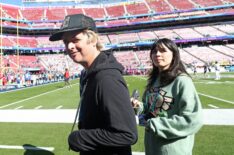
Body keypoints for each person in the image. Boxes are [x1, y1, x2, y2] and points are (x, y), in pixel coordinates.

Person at [49, 14, 137, 155]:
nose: (70, 46)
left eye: (75, 40)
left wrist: (80, 137)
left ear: (93, 40)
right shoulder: (87, 73)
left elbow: (127, 134)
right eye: (66, 42)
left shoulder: (107, 78)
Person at [131, 38, 203, 155]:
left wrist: (153, 124)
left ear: (174, 55)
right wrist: (137, 106)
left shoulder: (182, 81)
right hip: (152, 147)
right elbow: (149, 110)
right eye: (154, 51)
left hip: (173, 149)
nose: (157, 54)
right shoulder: (154, 80)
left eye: (163, 51)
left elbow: (193, 119)